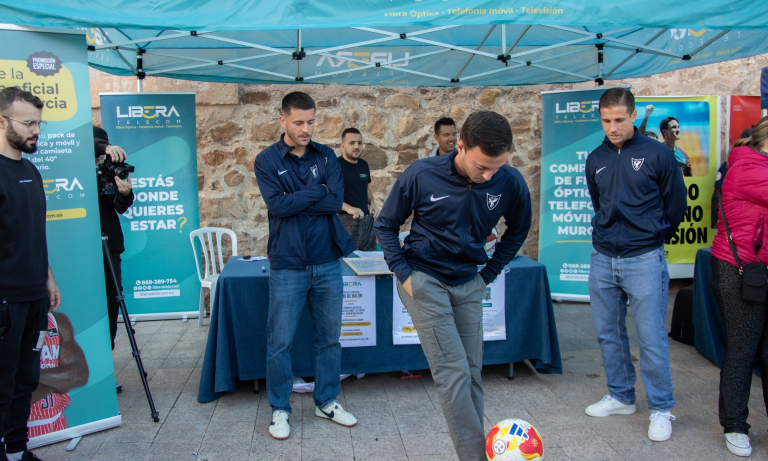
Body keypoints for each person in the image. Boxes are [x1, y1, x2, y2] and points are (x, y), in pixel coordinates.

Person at [375, 110, 532, 461]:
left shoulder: (508, 181)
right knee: (453, 372)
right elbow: (385, 225)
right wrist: (404, 274)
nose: (489, 174)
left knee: (472, 371)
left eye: (497, 166)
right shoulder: (422, 174)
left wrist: (487, 275)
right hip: (424, 278)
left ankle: (480, 451)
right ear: (460, 146)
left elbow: (519, 229)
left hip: (468, 281)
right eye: (482, 166)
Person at [584, 88, 687, 443]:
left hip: (644, 258)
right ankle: (621, 396)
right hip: (603, 258)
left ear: (632, 116)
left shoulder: (658, 154)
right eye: (606, 120)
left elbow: (676, 206)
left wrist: (652, 236)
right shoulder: (595, 157)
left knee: (652, 337)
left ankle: (661, 408)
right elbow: (600, 203)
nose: (612, 127)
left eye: (619, 120)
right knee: (608, 333)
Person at [253, 91, 357, 440]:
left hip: (327, 261)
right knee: (279, 342)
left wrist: (298, 197)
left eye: (311, 121)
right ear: (282, 120)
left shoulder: (326, 155)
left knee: (329, 339)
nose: (306, 128)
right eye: (299, 122)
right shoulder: (266, 161)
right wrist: (317, 192)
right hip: (288, 264)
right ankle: (280, 409)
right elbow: (279, 207)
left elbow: (336, 201)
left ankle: (326, 400)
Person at [0, 86, 62, 461]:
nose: (36, 130)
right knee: (2, 384)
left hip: (35, 297)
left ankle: (18, 451)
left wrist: (48, 278)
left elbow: (33, 231)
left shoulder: (31, 170)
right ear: (2, 121)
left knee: (25, 380)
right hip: (5, 302)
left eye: (38, 122)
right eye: (28, 123)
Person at [709, 116, 768, 457]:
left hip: (761, 268)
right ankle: (734, 424)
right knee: (743, 349)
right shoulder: (748, 167)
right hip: (739, 268)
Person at [93, 126, 134, 394]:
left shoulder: (107, 171)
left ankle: (103, 370)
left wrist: (124, 192)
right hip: (78, 251)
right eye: (99, 150)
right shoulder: (72, 168)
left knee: (109, 310)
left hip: (109, 249)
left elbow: (119, 207)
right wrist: (100, 149)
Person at [27, 312, 89, 437]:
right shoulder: (6, 326)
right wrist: (59, 381)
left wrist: (27, 376)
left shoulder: (57, 320)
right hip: (15, 430)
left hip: (56, 424)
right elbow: (12, 397)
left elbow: (80, 374)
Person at [337, 127, 377, 251]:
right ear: (342, 146)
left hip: (366, 222)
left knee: (370, 263)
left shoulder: (364, 165)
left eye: (359, 143)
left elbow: (365, 186)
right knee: (349, 262)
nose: (356, 146)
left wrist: (373, 203)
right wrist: (349, 208)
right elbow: (328, 196)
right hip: (346, 222)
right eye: (352, 143)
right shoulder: (335, 166)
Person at [711, 138, 749, 228]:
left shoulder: (727, 165)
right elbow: (717, 195)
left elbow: (717, 195)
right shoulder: (727, 166)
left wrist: (714, 222)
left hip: (734, 218)